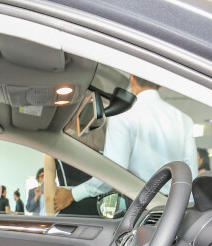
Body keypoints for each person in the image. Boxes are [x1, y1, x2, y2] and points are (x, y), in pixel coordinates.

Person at [53, 75, 198, 211]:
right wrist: (189, 208)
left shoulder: (123, 115)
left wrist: (74, 194)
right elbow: (190, 172)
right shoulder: (184, 120)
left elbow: (114, 170)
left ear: (132, 79)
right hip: (176, 206)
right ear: (160, 84)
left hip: (140, 207)